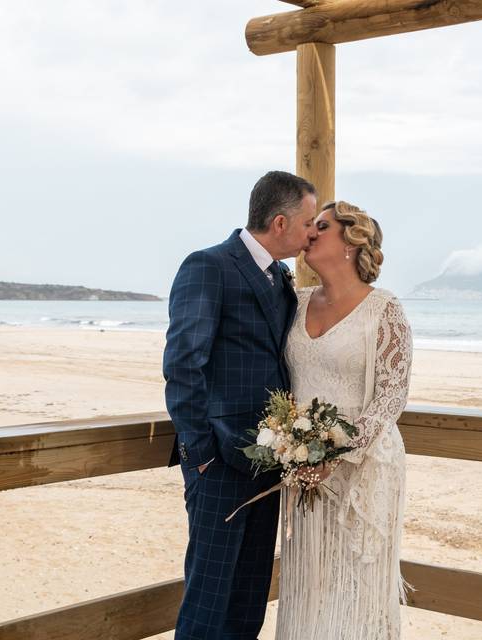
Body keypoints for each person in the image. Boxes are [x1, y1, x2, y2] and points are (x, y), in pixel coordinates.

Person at [163, 170, 318, 640]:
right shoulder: (208, 266)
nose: (313, 232)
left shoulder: (281, 277)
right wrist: (200, 454)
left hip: (269, 461)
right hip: (218, 465)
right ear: (279, 222)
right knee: (208, 601)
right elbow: (184, 365)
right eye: (309, 222)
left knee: (249, 599)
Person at [275, 201, 413, 640]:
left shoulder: (384, 310)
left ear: (352, 242)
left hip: (364, 470)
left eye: (322, 227)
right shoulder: (294, 304)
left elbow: (392, 394)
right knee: (308, 582)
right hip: (302, 468)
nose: (309, 234)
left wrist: (339, 453)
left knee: (357, 587)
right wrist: (292, 447)